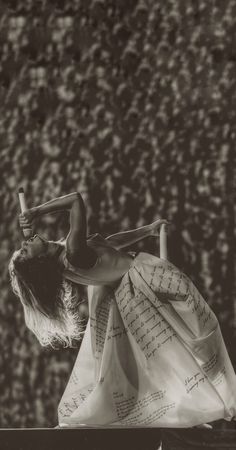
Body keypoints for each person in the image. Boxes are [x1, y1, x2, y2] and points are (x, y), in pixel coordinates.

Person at [9, 192, 236, 428]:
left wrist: (147, 230)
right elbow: (76, 200)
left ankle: (194, 407)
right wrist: (36, 211)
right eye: (25, 251)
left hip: (131, 288)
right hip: (142, 280)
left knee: (175, 347)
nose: (24, 243)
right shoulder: (73, 253)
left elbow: (109, 243)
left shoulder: (68, 250)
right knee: (192, 333)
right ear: (39, 264)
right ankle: (199, 406)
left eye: (23, 246)